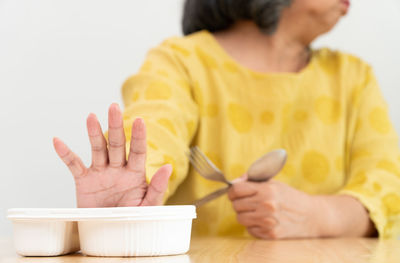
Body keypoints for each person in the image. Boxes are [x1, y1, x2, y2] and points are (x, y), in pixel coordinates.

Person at [53, 0, 400, 239]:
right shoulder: (179, 62)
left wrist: (321, 216)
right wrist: (133, 184)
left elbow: (388, 186)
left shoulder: (355, 77)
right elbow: (157, 128)